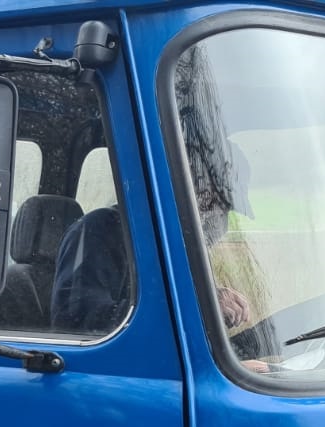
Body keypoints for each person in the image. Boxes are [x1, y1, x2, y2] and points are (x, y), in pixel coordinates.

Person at [52, 129, 258, 347]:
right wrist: (200, 304)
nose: (218, 218)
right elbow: (79, 326)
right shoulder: (99, 232)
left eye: (225, 209)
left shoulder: (171, 245)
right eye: (212, 203)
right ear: (180, 190)